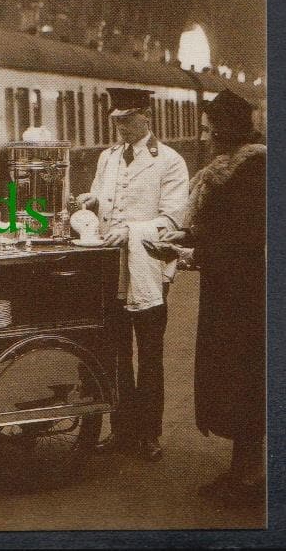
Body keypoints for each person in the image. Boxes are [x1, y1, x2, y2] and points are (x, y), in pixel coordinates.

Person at [152, 89, 265, 504]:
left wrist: (188, 252)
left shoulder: (252, 172)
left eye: (207, 129)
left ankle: (250, 478)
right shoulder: (228, 170)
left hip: (247, 295)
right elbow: (218, 229)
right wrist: (185, 235)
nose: (203, 137)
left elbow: (245, 242)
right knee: (234, 379)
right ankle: (241, 470)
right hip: (229, 290)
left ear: (225, 132)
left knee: (245, 380)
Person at [77, 87, 188, 461]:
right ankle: (121, 429)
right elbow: (100, 197)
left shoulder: (169, 161)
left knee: (150, 355)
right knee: (116, 352)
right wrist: (90, 202)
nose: (120, 127)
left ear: (146, 117)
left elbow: (174, 219)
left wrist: (133, 229)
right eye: (116, 120)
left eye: (126, 119)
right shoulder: (107, 159)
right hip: (111, 268)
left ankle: (149, 433)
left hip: (148, 270)